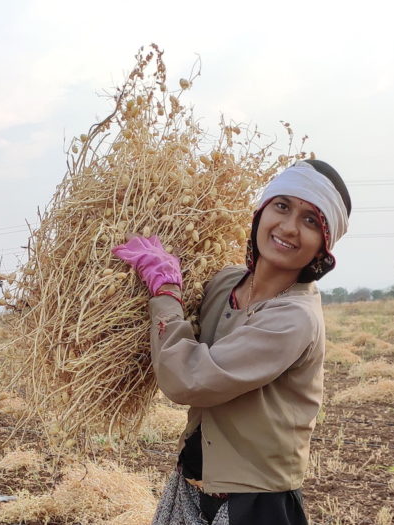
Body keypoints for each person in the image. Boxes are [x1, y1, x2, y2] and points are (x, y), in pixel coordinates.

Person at [113, 159, 352, 524]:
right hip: (192, 488)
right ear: (261, 212)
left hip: (254, 505)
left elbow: (188, 378)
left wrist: (164, 291)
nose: (288, 228)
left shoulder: (293, 319)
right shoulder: (225, 283)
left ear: (323, 247)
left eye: (309, 221)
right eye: (282, 206)